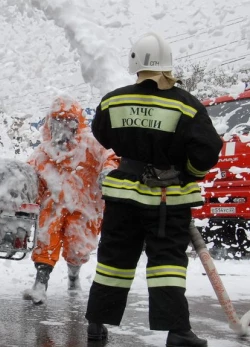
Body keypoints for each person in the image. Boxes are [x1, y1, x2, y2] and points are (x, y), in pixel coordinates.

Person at [84, 33, 223, 347]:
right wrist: (189, 173)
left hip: (123, 197)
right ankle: (177, 332)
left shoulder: (113, 100)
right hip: (167, 199)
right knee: (167, 264)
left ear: (135, 64)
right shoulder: (186, 105)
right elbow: (207, 149)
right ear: (168, 67)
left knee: (113, 261)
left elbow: (102, 134)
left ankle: (97, 322)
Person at [25, 97, 118, 305]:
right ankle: (40, 283)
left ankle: (74, 275)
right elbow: (30, 173)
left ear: (78, 123)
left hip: (85, 206)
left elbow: (109, 155)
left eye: (68, 121)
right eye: (58, 121)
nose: (63, 127)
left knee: (78, 247)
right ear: (50, 123)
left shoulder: (90, 145)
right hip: (53, 206)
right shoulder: (44, 150)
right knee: (46, 238)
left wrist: (108, 170)